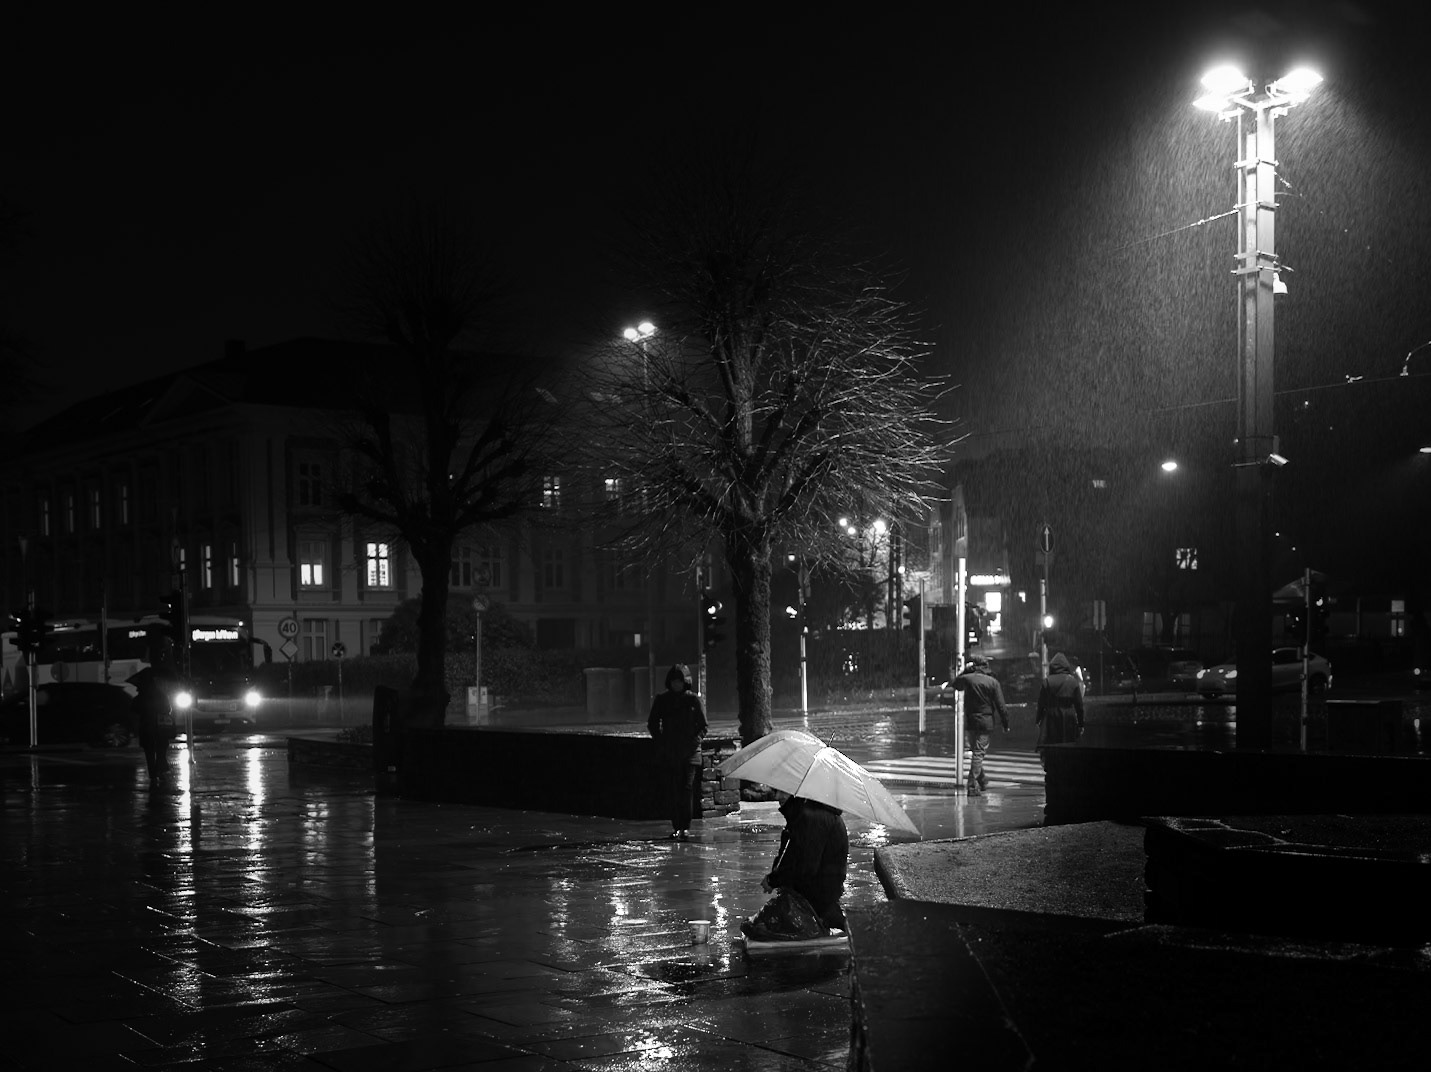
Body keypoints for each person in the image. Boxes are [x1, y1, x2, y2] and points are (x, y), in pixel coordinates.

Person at [760, 791, 849, 931]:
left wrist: (774, 880)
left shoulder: (812, 818)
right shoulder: (802, 816)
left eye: (782, 792)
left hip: (817, 896)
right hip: (819, 893)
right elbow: (789, 853)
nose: (777, 797)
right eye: (776, 791)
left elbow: (804, 865)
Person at [647, 663, 707, 840]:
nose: (676, 685)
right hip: (671, 752)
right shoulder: (662, 700)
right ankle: (677, 826)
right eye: (674, 681)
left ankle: (685, 827)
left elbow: (703, 726)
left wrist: (694, 743)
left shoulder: (693, 700)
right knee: (675, 790)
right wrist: (662, 742)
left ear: (685, 682)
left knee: (686, 789)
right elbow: (652, 723)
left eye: (679, 681)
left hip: (690, 753)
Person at [952, 654, 1009, 796]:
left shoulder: (967, 679)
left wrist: (966, 670)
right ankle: (972, 785)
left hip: (971, 721)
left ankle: (982, 780)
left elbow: (956, 685)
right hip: (986, 722)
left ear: (974, 665)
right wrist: (1005, 723)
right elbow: (1001, 705)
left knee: (976, 751)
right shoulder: (993, 682)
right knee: (978, 752)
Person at [130, 669, 173, 790]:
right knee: (161, 751)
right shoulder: (161, 694)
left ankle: (153, 774)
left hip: (146, 728)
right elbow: (167, 709)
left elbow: (134, 710)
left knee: (149, 753)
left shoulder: (140, 697)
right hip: (160, 728)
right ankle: (161, 771)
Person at [1037, 651, 1086, 748]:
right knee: (1068, 743)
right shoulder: (1072, 681)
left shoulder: (1047, 681)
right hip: (1068, 716)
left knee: (1052, 744)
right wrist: (1081, 723)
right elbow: (1079, 706)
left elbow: (1041, 703)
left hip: (1051, 716)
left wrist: (1038, 719)